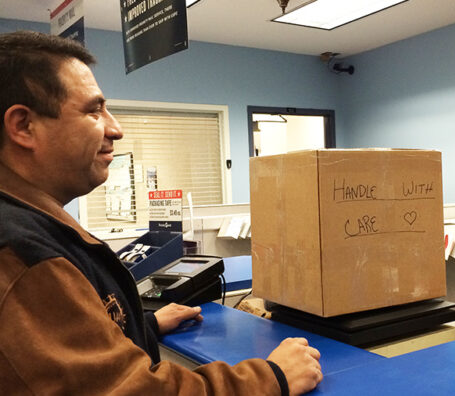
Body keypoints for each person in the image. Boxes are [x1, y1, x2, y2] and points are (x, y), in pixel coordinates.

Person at [0, 30, 322, 395]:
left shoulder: (30, 220)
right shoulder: (20, 255)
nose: (115, 128)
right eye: (93, 110)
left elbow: (67, 361)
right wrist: (272, 377)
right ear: (24, 126)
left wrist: (142, 325)